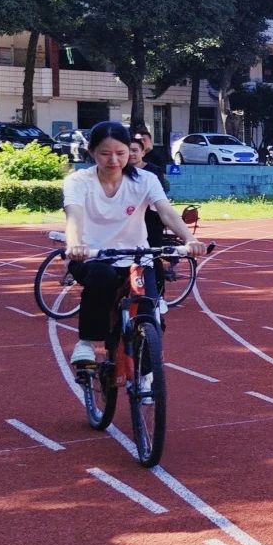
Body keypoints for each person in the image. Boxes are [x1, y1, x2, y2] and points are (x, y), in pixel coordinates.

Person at [64, 122, 204, 370]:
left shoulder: (145, 180)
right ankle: (86, 342)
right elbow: (74, 215)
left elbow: (166, 212)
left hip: (137, 258)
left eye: (121, 153)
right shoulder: (78, 181)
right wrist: (75, 245)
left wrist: (189, 239)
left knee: (151, 312)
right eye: (105, 153)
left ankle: (147, 375)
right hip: (94, 257)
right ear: (92, 152)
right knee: (101, 277)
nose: (114, 160)